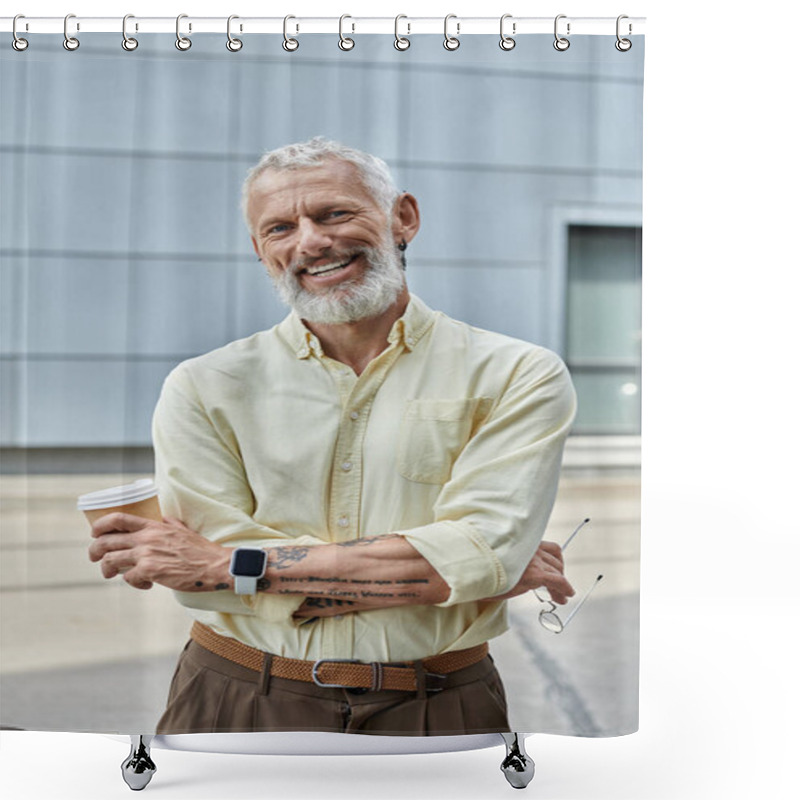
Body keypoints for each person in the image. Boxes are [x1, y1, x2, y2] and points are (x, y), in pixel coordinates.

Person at [88, 138, 577, 736]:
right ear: (260, 251)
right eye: (280, 228)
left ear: (404, 217)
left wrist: (229, 565)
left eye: (334, 213)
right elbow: (209, 590)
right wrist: (453, 572)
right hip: (239, 693)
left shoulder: (516, 373)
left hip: (442, 701)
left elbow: (215, 569)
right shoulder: (204, 386)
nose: (311, 242)